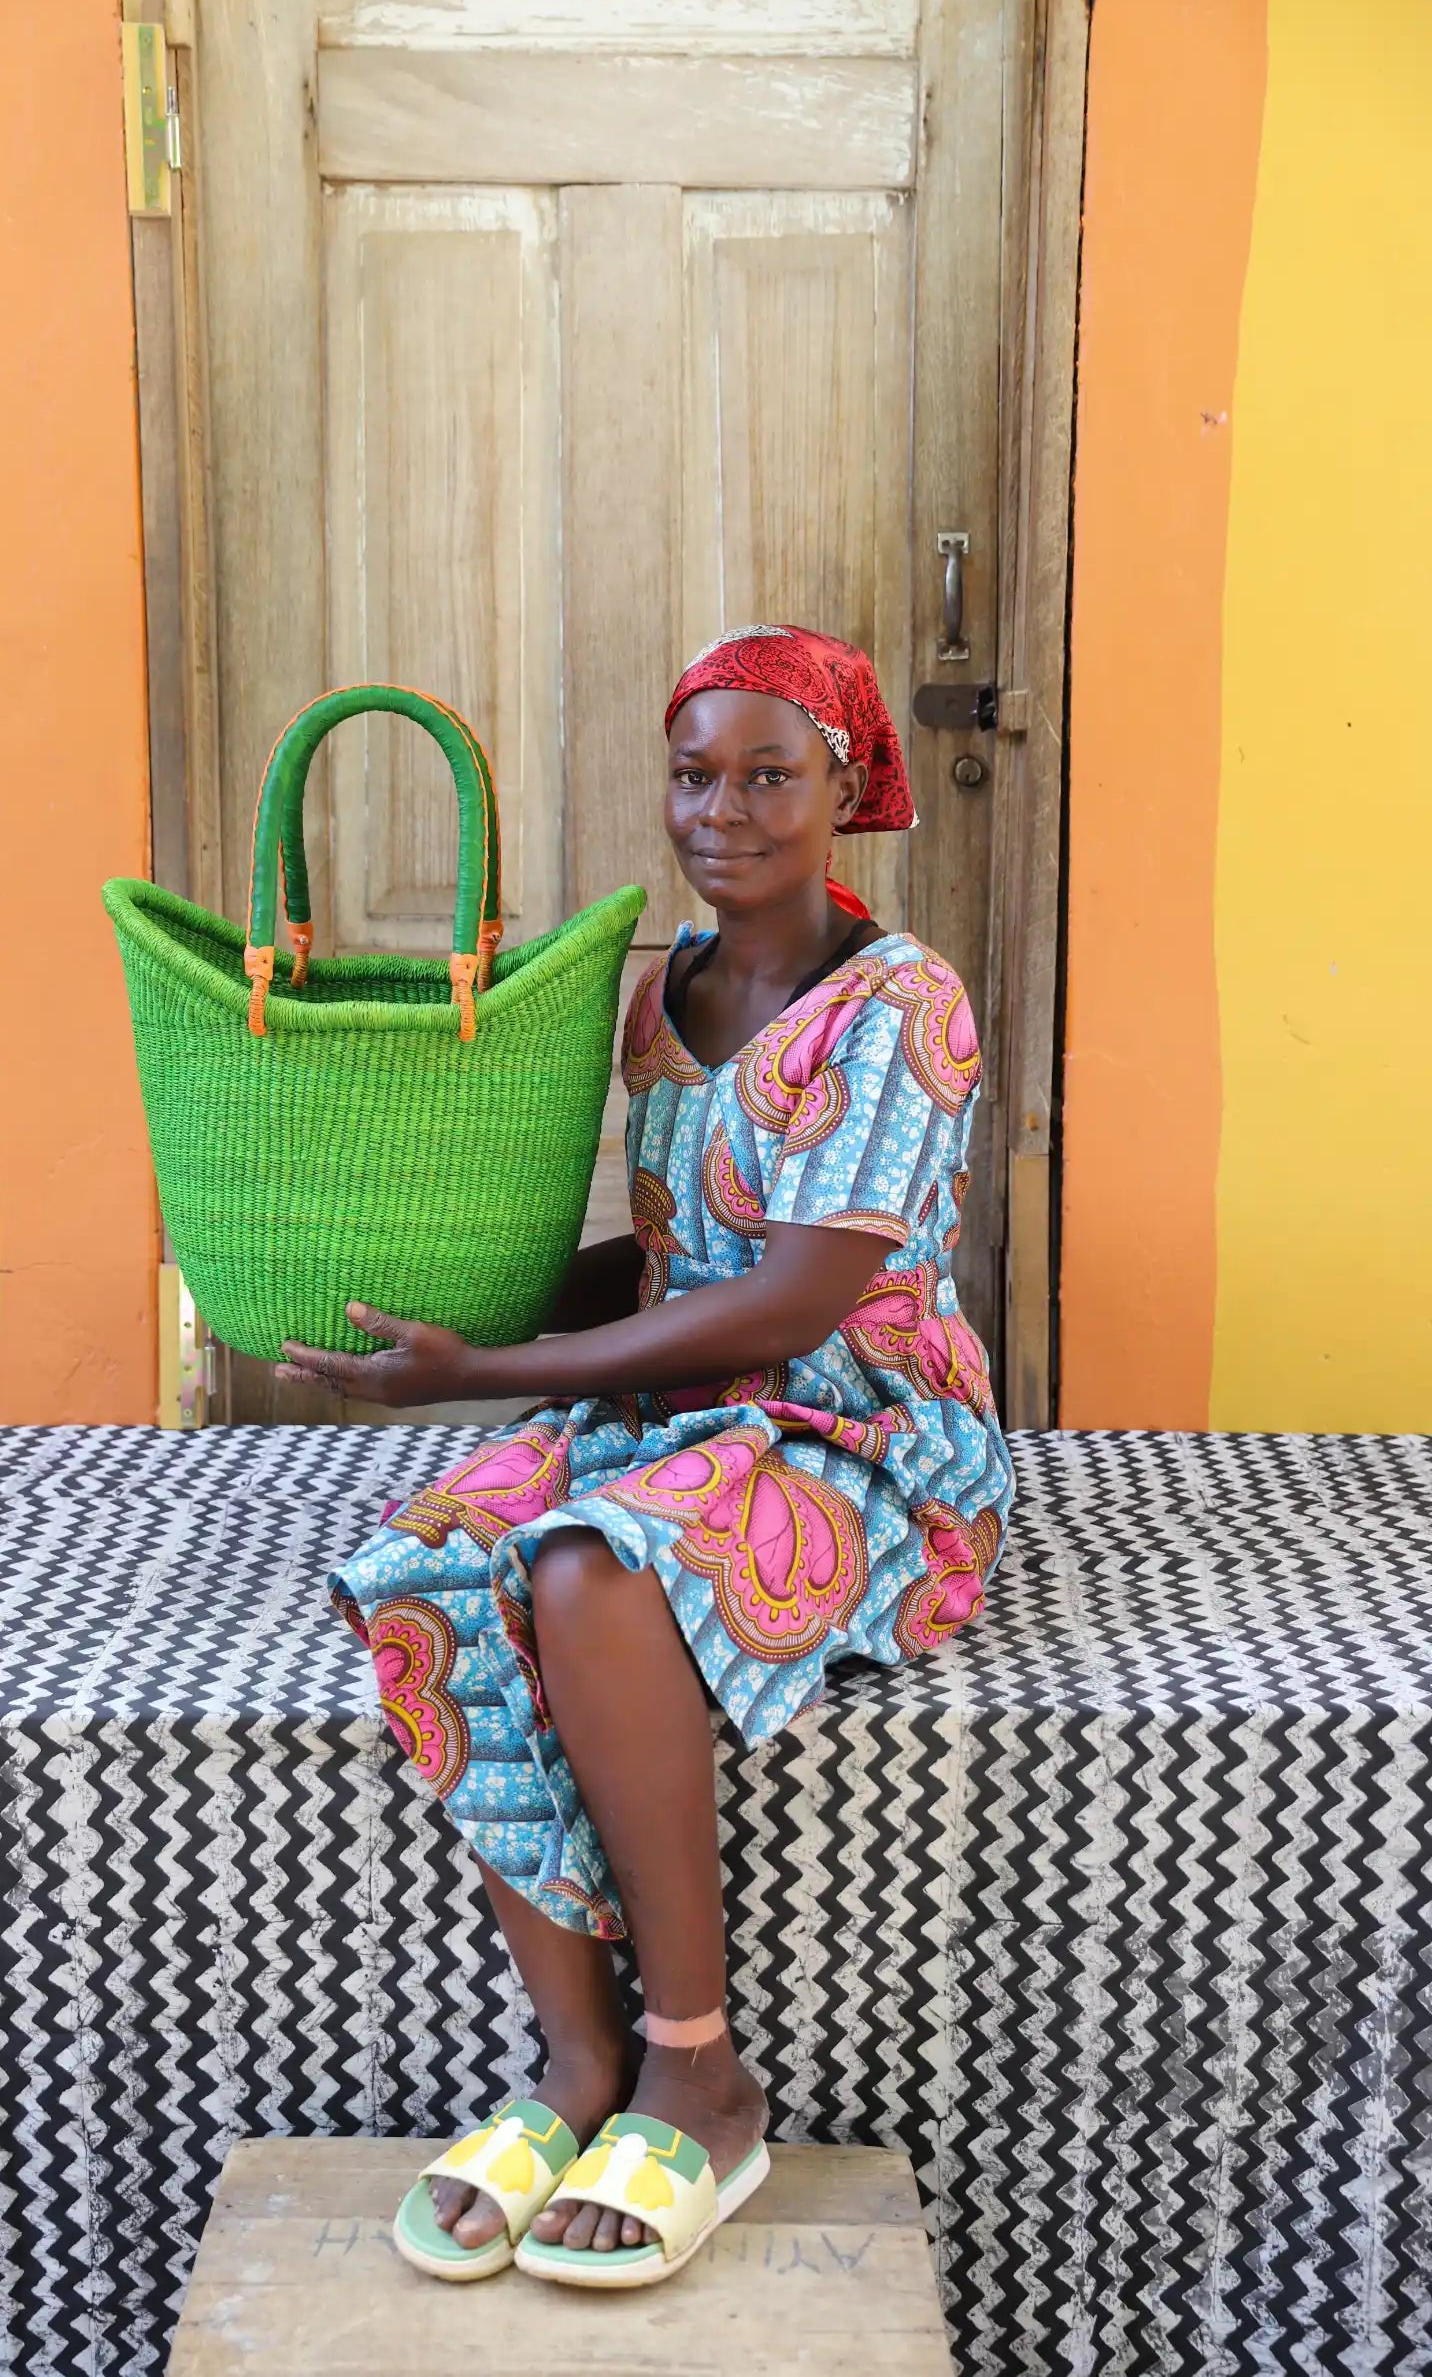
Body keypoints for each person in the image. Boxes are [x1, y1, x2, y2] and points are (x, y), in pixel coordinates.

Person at [278, 624, 1014, 2290]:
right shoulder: (661, 983)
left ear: (849, 790)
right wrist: (442, 1308)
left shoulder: (905, 1005)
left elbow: (789, 1300)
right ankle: (577, 2060)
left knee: (590, 1566)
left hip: (864, 1431)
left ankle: (701, 2065)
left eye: (772, 776)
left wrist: (499, 1370)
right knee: (431, 1554)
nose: (726, 810)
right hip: (681, 1403)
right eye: (698, 775)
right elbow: (665, 1257)